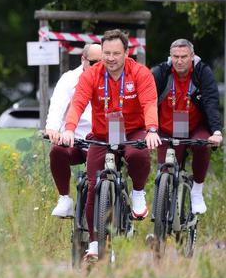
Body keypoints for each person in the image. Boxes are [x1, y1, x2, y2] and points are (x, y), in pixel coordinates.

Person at [60, 29, 161, 260]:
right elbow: (77, 104)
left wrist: (152, 130)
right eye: (106, 53)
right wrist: (69, 128)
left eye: (116, 53)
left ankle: (137, 193)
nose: (111, 58)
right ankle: (94, 244)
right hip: (103, 134)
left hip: (133, 130)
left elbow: (149, 103)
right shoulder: (92, 74)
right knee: (94, 186)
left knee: (138, 156)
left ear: (127, 53)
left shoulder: (140, 73)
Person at [152, 39, 223, 214]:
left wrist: (216, 131)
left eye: (184, 56)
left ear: (192, 56)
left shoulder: (202, 72)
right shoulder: (161, 72)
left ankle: (197, 191)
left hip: (195, 127)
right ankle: (162, 214)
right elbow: (148, 102)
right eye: (175, 56)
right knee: (164, 171)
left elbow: (211, 102)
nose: (179, 61)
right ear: (170, 56)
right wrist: (149, 129)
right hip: (166, 128)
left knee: (201, 144)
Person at [46, 44, 102, 217]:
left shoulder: (111, 77)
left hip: (102, 141)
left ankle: (120, 211)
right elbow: (58, 105)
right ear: (83, 60)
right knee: (57, 151)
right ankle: (64, 198)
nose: (99, 67)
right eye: (94, 62)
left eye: (103, 62)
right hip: (76, 139)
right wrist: (53, 129)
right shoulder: (69, 79)